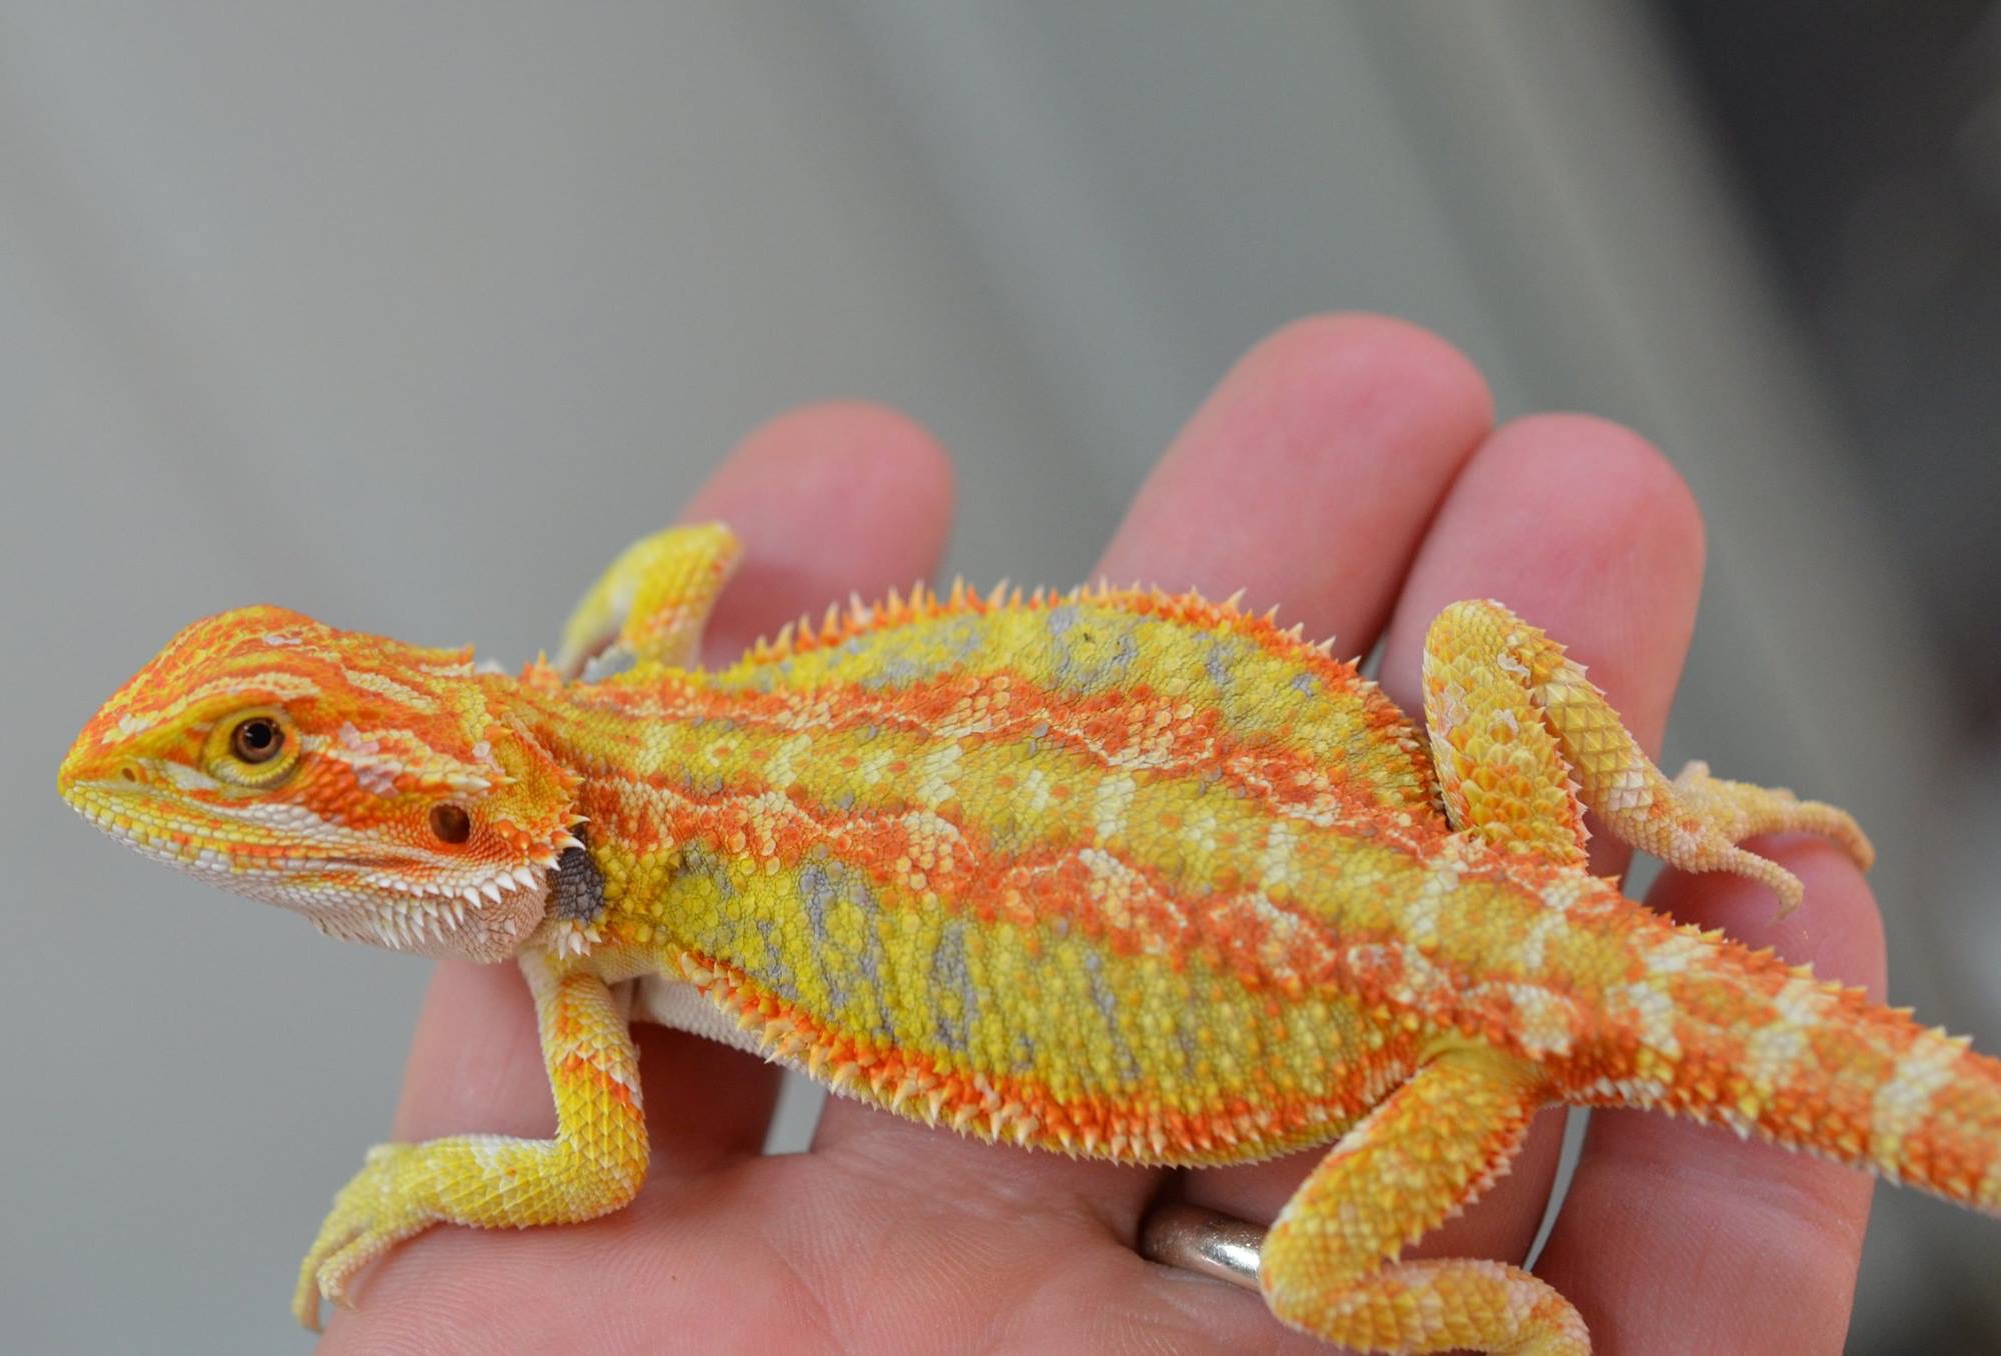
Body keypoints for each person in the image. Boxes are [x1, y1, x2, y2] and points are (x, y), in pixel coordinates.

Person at [315, 314, 1878, 1353]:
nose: (243, 817)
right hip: (1484, 888)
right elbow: (687, 556)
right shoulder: (636, 722)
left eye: (263, 751)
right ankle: (1668, 812)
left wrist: (414, 1183)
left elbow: (594, 1166)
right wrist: (600, 627)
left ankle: (1527, 1328)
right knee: (1474, 642)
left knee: (1315, 1273)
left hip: (1461, 1012)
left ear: (455, 813)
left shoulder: (585, 931)